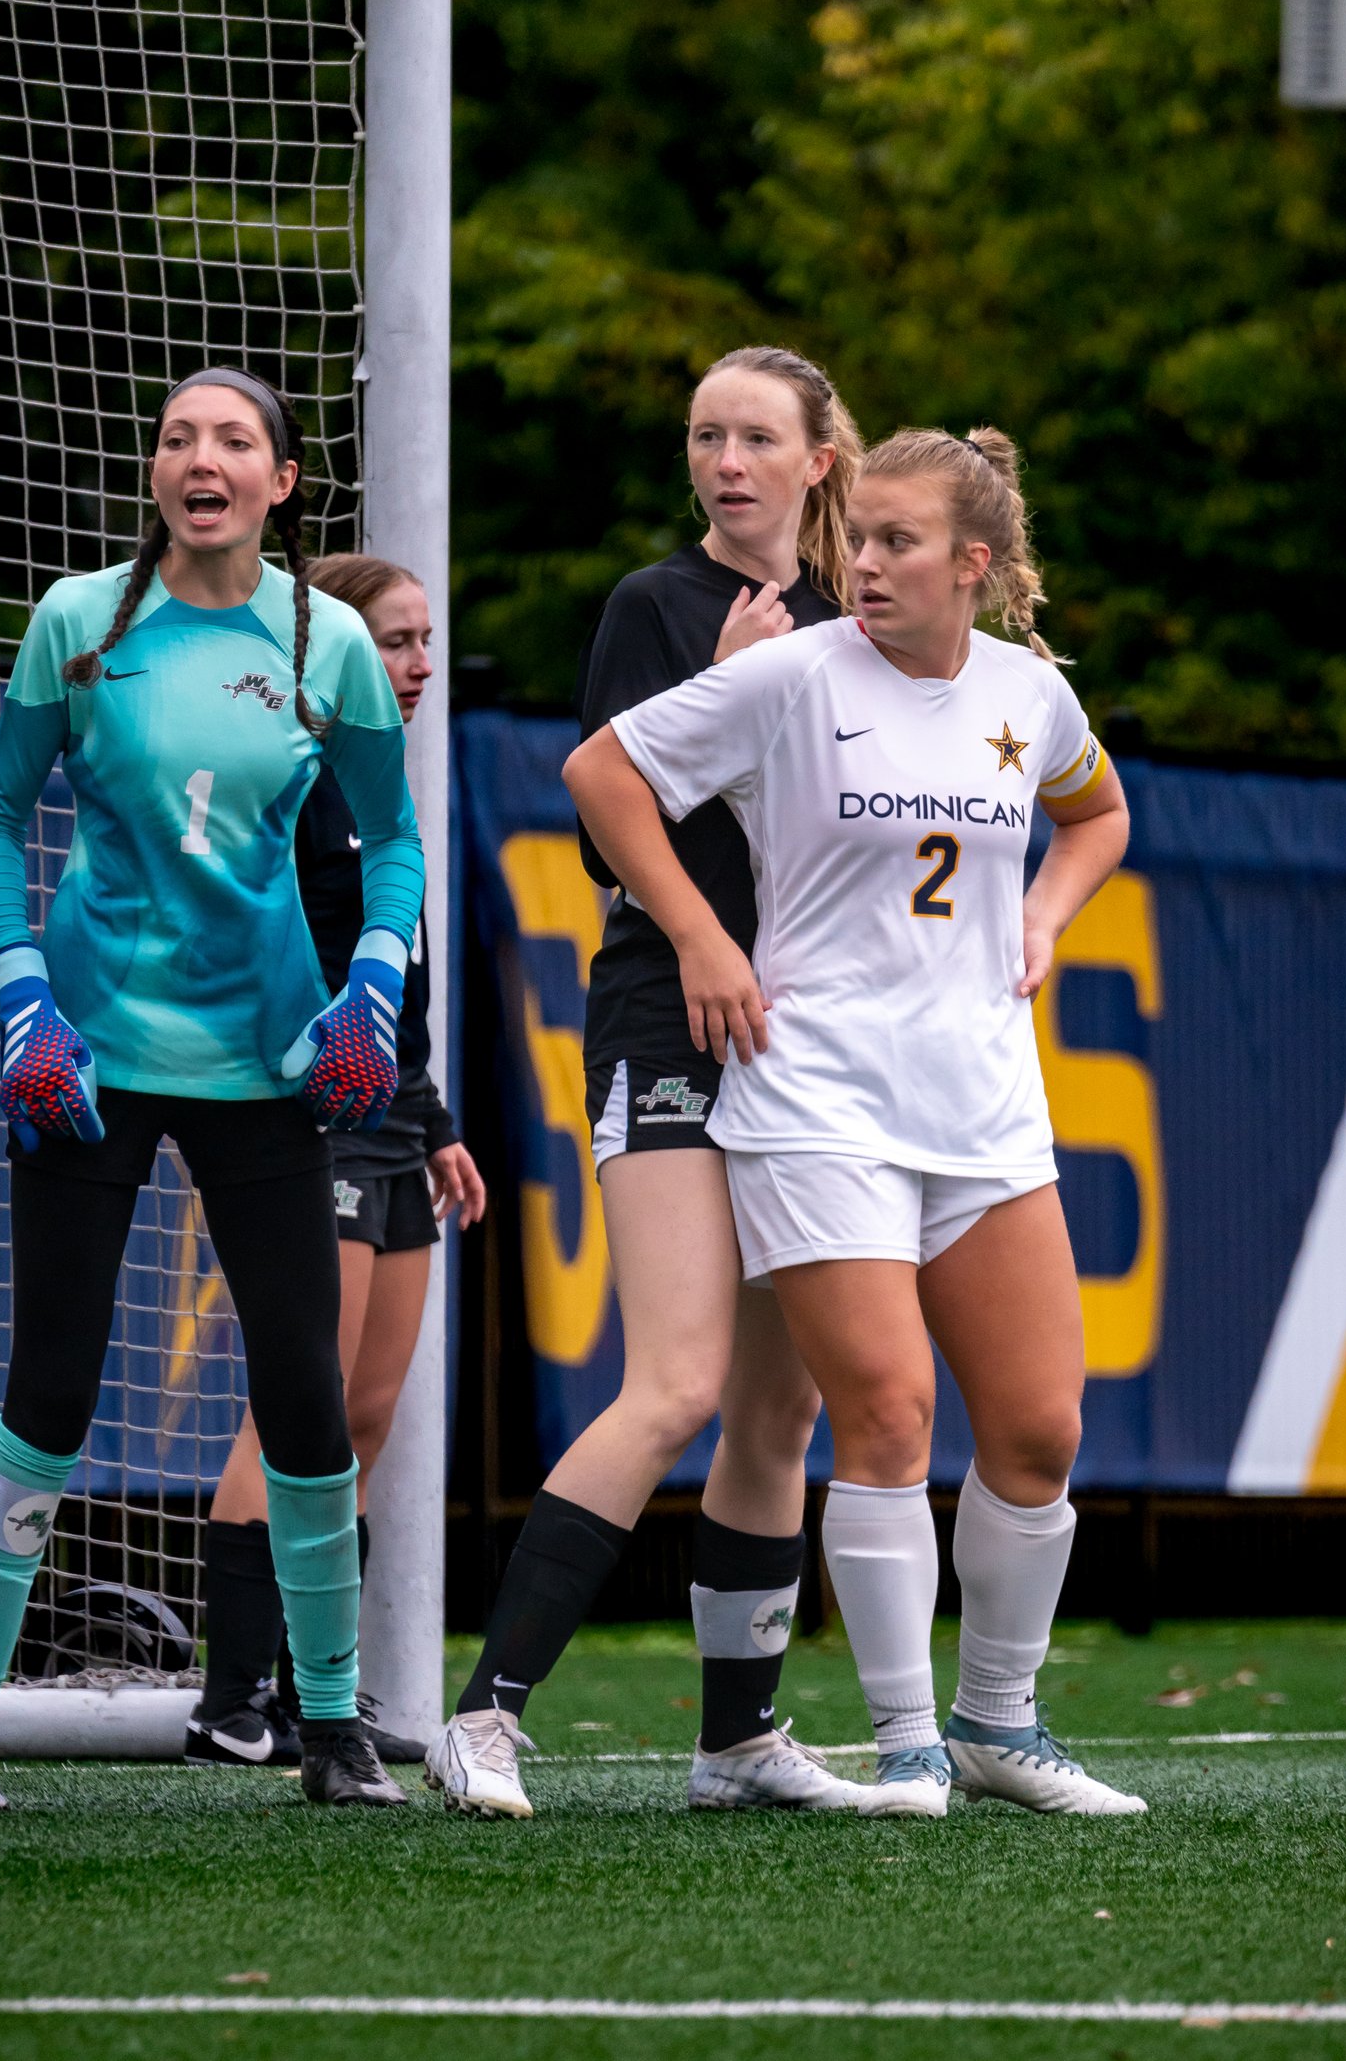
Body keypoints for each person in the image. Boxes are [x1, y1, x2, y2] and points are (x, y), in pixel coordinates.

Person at [563, 423, 1148, 1821]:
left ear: (975, 563)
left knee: (1039, 1431)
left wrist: (1049, 917)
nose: (864, 563)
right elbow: (602, 774)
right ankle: (906, 1746)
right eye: (859, 537)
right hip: (817, 1099)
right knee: (886, 1410)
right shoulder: (790, 672)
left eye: (895, 542)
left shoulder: (1027, 691)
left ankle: (1001, 1719)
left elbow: (1100, 809)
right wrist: (701, 933)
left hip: (984, 1102)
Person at [0, 367, 423, 1814]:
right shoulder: (79, 621)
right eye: (180, 436)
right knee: (52, 1390)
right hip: (84, 1058)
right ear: (157, 472)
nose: (203, 457)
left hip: (265, 1062)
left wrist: (370, 981)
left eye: (234, 438)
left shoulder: (332, 647)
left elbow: (395, 844)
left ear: (281, 478)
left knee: (310, 1400)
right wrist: (21, 998)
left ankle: (329, 1729)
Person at [426, 347, 861, 1818]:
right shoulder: (657, 608)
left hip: (814, 1039)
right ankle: (482, 1714)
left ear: (818, 457)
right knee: (673, 1376)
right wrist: (703, 916)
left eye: (755, 437)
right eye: (703, 435)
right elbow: (616, 824)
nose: (726, 460)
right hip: (671, 1008)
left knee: (779, 1403)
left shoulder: (866, 619)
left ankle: (736, 1738)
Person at [190, 552, 484, 1769]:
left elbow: (395, 983)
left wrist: (437, 1117)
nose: (417, 664)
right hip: (310, 1109)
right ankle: (228, 1699)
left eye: (425, 641)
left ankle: (324, 1687)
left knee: (364, 1414)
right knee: (294, 1403)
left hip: (394, 1119)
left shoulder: (382, 773)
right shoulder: (292, 772)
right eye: (396, 640)